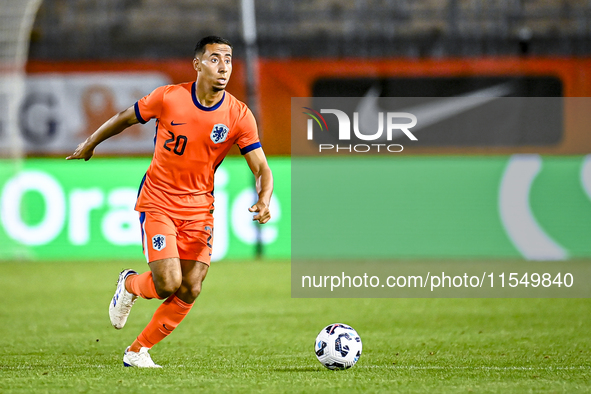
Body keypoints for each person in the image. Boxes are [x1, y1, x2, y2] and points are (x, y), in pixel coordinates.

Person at [67, 36, 273, 368]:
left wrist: (264, 198)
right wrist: (90, 144)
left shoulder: (238, 115)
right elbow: (125, 117)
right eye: (215, 59)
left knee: (191, 286)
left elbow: (261, 166)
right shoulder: (168, 98)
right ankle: (130, 283)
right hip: (159, 201)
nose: (223, 67)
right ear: (198, 65)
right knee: (167, 284)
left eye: (229, 60)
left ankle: (137, 351)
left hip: (199, 208)